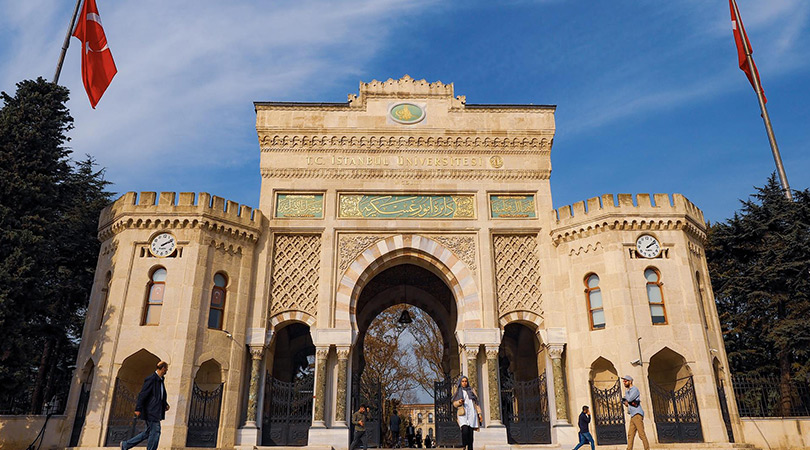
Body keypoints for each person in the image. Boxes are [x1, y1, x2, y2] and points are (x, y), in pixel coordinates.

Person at [121, 361, 170, 450]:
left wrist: (165, 404)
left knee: (148, 432)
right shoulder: (151, 379)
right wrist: (138, 408)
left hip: (156, 410)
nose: (166, 371)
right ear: (163, 369)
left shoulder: (160, 380)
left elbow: (159, 395)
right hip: (151, 410)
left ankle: (126, 445)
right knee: (156, 432)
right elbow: (143, 394)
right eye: (166, 369)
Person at [451, 376, 482, 450]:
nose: (464, 383)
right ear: (460, 382)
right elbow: (454, 404)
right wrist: (459, 402)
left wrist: (479, 414)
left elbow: (476, 403)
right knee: (464, 430)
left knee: (470, 433)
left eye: (465, 381)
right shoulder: (458, 391)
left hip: (472, 413)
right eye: (463, 381)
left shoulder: (471, 391)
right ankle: (464, 445)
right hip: (463, 414)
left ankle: (470, 447)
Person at [621, 375, 650, 450]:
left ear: (630, 381)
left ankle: (647, 449)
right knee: (630, 434)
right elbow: (626, 401)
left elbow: (629, 399)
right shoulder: (628, 391)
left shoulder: (634, 389)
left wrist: (626, 398)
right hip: (633, 415)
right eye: (624, 381)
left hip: (637, 414)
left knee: (641, 434)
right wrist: (625, 401)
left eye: (625, 381)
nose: (624, 383)